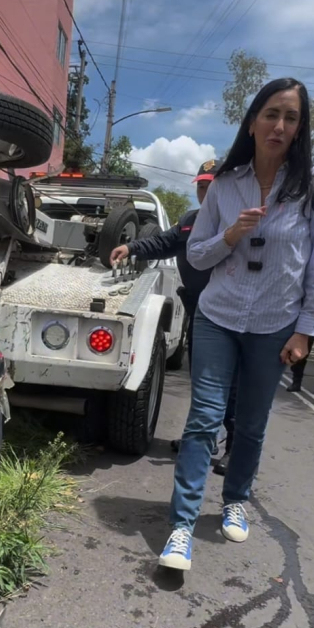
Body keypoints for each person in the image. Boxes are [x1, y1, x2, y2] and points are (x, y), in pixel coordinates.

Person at [159, 77, 314, 572]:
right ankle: (181, 527)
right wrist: (230, 236)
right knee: (203, 419)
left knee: (253, 424)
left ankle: (235, 498)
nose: (279, 126)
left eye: (291, 117)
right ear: (254, 120)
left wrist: (307, 330)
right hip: (219, 316)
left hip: (275, 324)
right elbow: (196, 254)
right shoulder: (225, 183)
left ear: (300, 128)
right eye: (271, 114)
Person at [109, 159, 236, 474]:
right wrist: (132, 248)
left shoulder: (235, 222)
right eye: (202, 186)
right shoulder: (191, 221)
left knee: (233, 386)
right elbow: (164, 243)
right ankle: (200, 439)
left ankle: (235, 448)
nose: (206, 192)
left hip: (233, 318)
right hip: (201, 314)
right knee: (203, 383)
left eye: (213, 186)